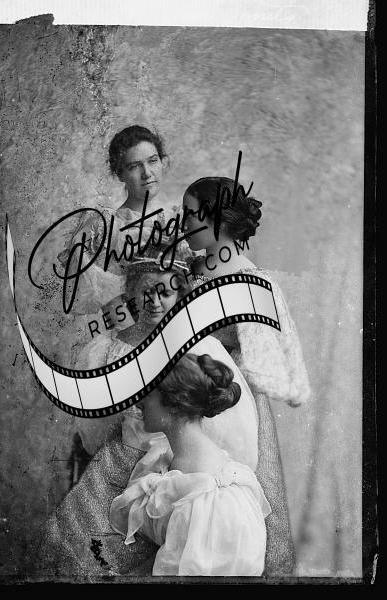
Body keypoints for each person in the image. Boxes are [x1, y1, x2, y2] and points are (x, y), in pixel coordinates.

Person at [36, 252, 259, 576]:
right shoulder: (118, 347)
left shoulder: (200, 349)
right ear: (132, 294)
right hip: (122, 457)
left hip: (183, 464)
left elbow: (228, 431)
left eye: (164, 292)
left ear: (181, 293)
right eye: (145, 292)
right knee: (69, 543)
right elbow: (95, 422)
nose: (154, 302)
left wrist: (200, 474)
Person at [181, 176, 311, 575]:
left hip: (229, 404)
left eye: (190, 215)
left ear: (217, 220)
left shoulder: (252, 281)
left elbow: (263, 359)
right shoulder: (188, 268)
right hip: (181, 391)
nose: (183, 224)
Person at [109, 353, 271, 576]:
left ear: (175, 404)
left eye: (150, 393)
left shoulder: (214, 505)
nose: (140, 401)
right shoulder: (168, 458)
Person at [57, 125, 189, 320]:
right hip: (134, 332)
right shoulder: (106, 228)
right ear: (120, 174)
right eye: (134, 166)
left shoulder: (181, 220)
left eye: (153, 161)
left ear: (162, 162)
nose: (147, 173)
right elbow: (100, 295)